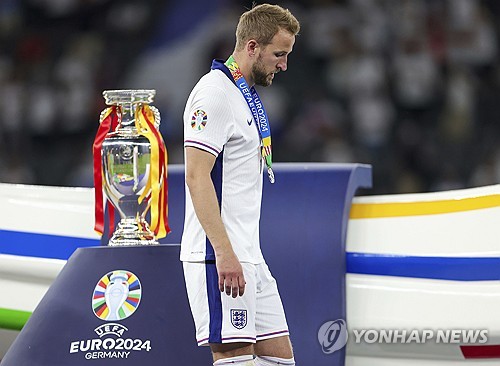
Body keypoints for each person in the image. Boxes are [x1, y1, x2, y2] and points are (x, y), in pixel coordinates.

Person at [180, 4, 300, 366]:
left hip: (249, 256)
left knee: (281, 361)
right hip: (219, 256)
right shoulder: (214, 94)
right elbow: (197, 176)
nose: (284, 65)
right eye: (279, 54)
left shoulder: (243, 94)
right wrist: (224, 253)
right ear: (251, 47)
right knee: (236, 361)